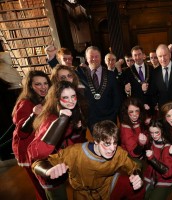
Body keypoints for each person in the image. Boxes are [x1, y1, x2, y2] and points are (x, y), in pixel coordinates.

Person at [32, 120, 145, 200]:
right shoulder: (74, 152)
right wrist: (47, 171)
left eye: (114, 143)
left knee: (136, 187)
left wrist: (137, 176)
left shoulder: (118, 153)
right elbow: (37, 163)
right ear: (96, 140)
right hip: (83, 194)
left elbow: (134, 167)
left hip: (107, 188)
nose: (112, 149)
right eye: (107, 143)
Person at [27, 81, 87, 199]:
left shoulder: (69, 111)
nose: (71, 100)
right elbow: (33, 152)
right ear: (57, 99)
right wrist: (61, 122)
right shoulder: (51, 119)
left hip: (61, 162)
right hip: (49, 168)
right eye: (65, 97)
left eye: (73, 96)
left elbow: (66, 138)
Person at [12, 70, 50, 200]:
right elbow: (22, 132)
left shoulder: (44, 99)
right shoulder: (25, 103)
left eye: (45, 83)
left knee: (46, 183)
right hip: (27, 149)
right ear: (30, 86)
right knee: (41, 185)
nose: (43, 87)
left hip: (38, 147)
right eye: (38, 84)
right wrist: (33, 115)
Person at [76, 46, 121, 131]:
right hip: (91, 121)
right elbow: (64, 71)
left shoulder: (111, 75)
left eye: (96, 56)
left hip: (110, 118)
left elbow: (117, 98)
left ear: (101, 58)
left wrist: (113, 115)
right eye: (91, 57)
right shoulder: (80, 75)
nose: (94, 59)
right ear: (86, 58)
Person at [144, 119, 172, 200]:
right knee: (141, 195)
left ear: (162, 131)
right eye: (151, 133)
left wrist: (152, 158)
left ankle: (170, 189)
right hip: (151, 176)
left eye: (156, 132)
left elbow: (168, 172)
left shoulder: (167, 148)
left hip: (164, 181)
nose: (153, 135)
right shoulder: (152, 141)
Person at [120, 97, 148, 166]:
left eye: (137, 111)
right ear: (126, 112)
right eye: (131, 112)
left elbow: (146, 134)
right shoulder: (126, 128)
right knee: (138, 165)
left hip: (140, 151)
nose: (135, 114)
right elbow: (133, 153)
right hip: (129, 155)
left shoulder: (139, 120)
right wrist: (141, 144)